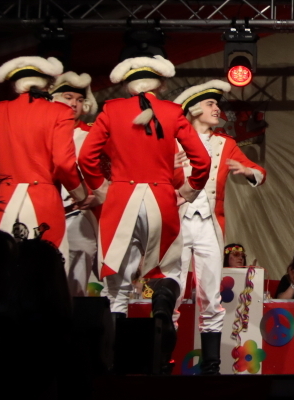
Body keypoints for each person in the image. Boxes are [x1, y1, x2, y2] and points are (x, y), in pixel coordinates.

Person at [77, 54, 210, 375]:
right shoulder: (173, 111)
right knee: (167, 269)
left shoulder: (111, 110)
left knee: (117, 287)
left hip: (121, 199)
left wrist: (101, 187)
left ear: (128, 85)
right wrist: (189, 189)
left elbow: (86, 157)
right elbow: (202, 161)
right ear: (159, 85)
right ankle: (161, 309)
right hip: (161, 199)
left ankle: (112, 364)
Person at [0, 55, 91, 256]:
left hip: (4, 200)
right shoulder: (59, 112)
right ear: (45, 84)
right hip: (44, 200)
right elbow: (63, 162)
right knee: (47, 265)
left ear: (15, 85)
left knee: (3, 262)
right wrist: (81, 195)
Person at [172, 80, 267, 376]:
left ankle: (211, 367)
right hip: (177, 223)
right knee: (172, 292)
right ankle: (162, 363)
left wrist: (247, 170)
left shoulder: (225, 144)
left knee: (211, 296)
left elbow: (259, 173)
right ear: (193, 109)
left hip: (209, 224)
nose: (217, 109)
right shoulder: (172, 142)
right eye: (211, 104)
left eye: (217, 104)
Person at [49, 71, 103, 296]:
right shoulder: (43, 129)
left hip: (81, 215)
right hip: (46, 210)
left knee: (77, 282)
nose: (74, 104)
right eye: (68, 97)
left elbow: (112, 171)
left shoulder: (94, 134)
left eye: (80, 100)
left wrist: (97, 196)